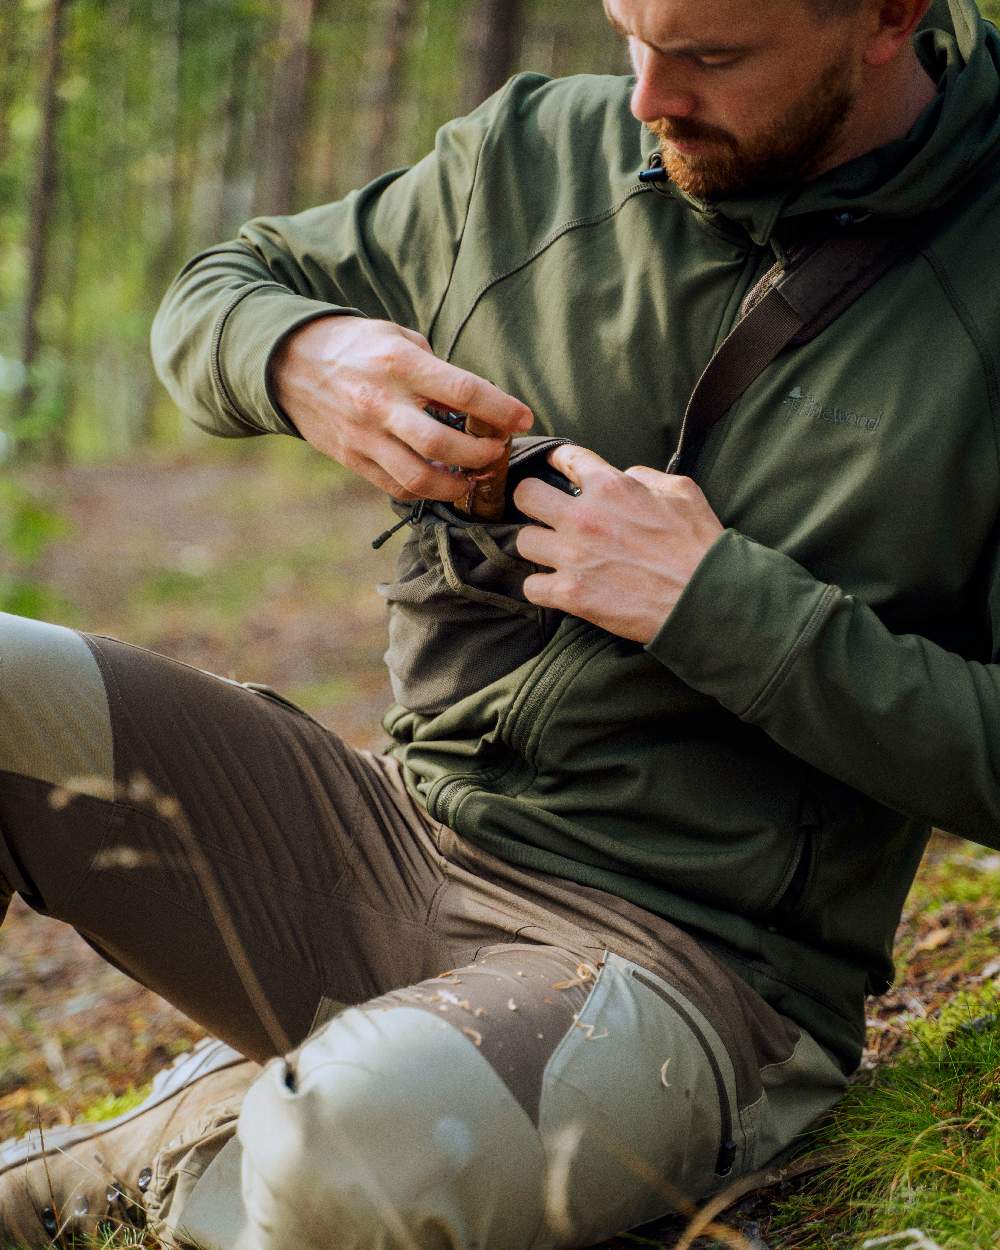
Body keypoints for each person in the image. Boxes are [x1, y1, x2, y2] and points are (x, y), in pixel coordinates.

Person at [2, 0, 999, 1245]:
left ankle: (174, 1149)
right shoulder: (532, 154)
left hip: (685, 965)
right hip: (382, 834)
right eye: (629, 32)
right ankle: (236, 1132)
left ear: (887, 16)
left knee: (341, 1151)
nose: (646, 99)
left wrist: (722, 608)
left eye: (709, 56)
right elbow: (217, 288)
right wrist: (302, 353)